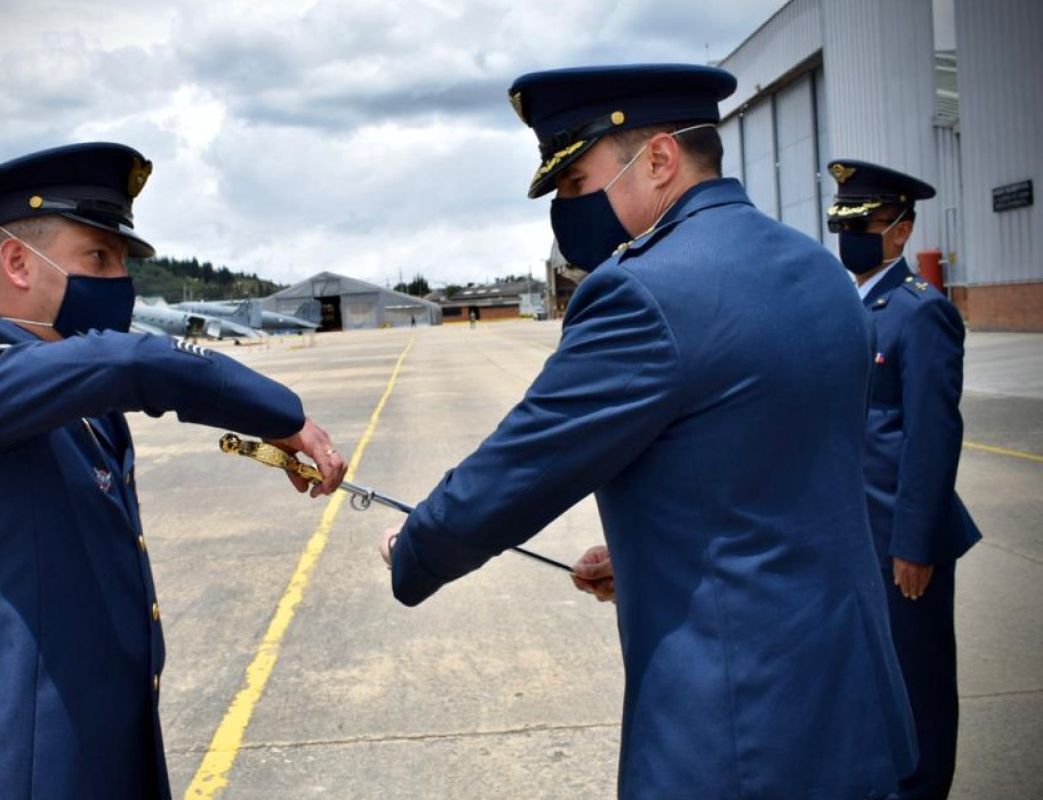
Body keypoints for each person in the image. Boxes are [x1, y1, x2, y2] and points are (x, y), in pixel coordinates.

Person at [378, 65, 918, 798]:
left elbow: (522, 465)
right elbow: (775, 471)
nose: (569, 210)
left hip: (735, 733)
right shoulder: (817, 270)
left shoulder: (640, 291)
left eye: (575, 184)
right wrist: (648, 555)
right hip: (857, 708)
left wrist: (415, 545)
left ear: (660, 160)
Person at [0, 142, 347, 800]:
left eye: (120, 262)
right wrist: (279, 414)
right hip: (14, 767)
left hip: (105, 757)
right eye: (97, 257)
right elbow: (130, 364)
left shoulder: (87, 410)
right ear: (18, 262)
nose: (118, 283)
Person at [826, 159, 982, 800]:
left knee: (916, 682)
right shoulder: (844, 305)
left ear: (899, 230)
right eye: (841, 223)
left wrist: (914, 544)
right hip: (850, 531)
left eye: (861, 223)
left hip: (901, 538)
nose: (848, 236)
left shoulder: (921, 314)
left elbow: (932, 435)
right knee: (864, 678)